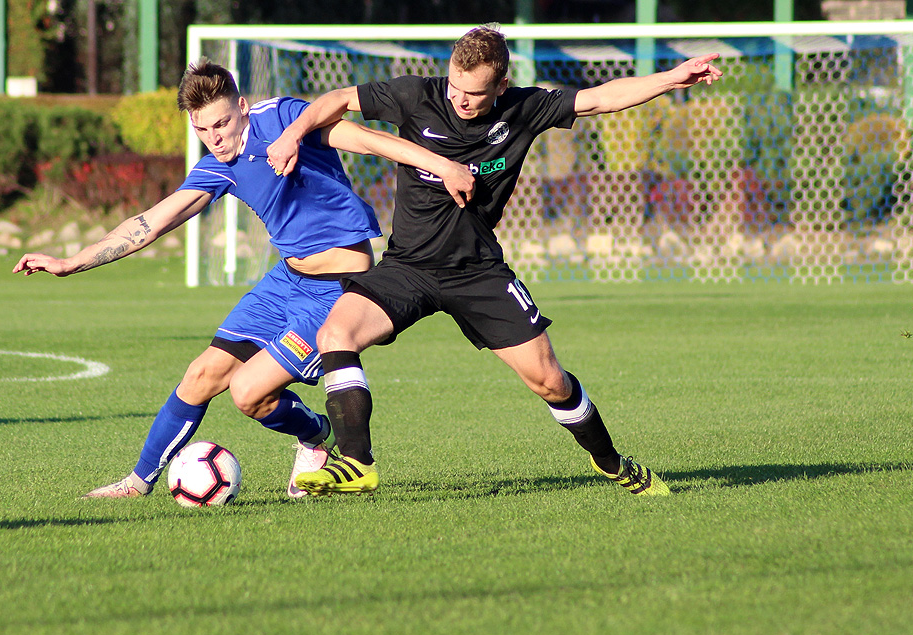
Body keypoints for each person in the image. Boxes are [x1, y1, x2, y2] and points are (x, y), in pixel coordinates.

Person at [266, 25, 723, 497]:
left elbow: (600, 98)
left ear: (501, 86)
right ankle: (357, 464)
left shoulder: (522, 108)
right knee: (335, 334)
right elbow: (338, 98)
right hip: (407, 267)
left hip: (478, 271)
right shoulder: (414, 95)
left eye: (474, 93)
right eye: (455, 88)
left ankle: (613, 465)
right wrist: (295, 135)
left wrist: (671, 78)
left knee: (550, 381)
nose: (461, 100)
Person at [13, 60, 474, 499]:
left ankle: (317, 439)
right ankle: (138, 480)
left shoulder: (288, 118)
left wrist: (444, 165)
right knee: (200, 375)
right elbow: (150, 223)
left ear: (242, 107)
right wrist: (72, 262)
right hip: (286, 281)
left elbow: (372, 141)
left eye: (221, 124)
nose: (214, 138)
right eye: (201, 129)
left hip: (339, 289)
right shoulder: (216, 166)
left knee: (248, 392)